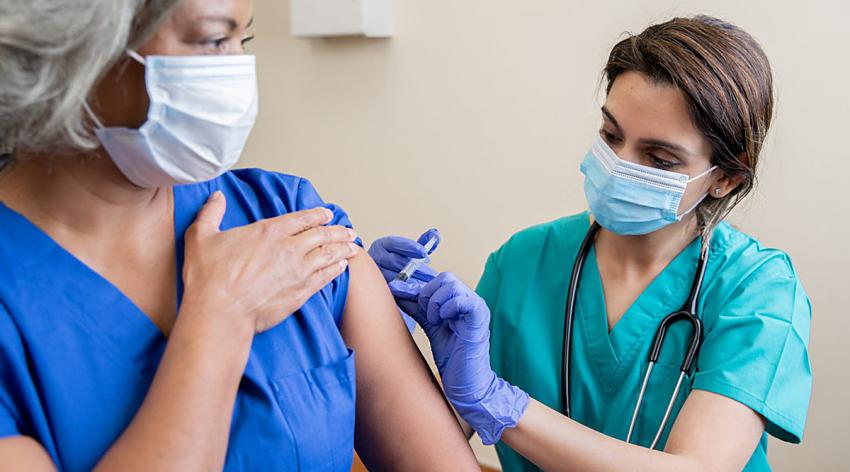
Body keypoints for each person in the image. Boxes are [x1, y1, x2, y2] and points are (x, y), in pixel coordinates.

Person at [0, 1, 480, 470]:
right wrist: (218, 318)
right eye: (213, 40)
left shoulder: (285, 215)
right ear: (77, 46)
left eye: (243, 39)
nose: (237, 72)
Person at [370, 15, 812, 471]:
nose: (619, 165)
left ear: (724, 177)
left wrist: (499, 402)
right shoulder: (522, 262)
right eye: (611, 135)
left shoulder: (759, 291)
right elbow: (427, 445)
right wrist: (380, 331)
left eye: (658, 159)